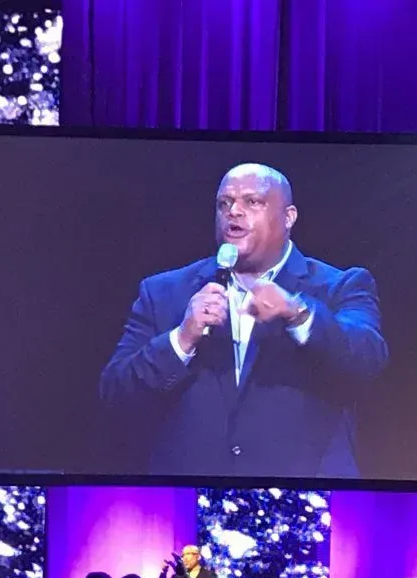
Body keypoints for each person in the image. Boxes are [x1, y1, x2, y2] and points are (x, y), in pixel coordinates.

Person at [100, 163, 389, 478]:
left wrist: (298, 314)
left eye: (253, 202)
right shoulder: (165, 292)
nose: (233, 211)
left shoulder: (339, 286)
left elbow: (367, 359)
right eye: (224, 203)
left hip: (303, 496)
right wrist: (180, 341)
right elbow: (116, 394)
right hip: (189, 495)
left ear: (288, 217)